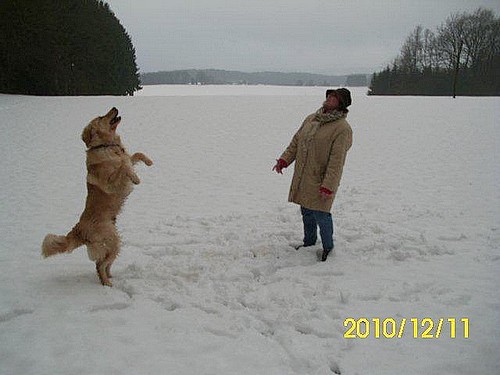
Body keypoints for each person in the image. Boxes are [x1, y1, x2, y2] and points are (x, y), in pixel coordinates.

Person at [273, 88, 353, 261]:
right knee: (306, 210)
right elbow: (296, 141)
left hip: (321, 178)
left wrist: (328, 185)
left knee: (321, 213)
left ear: (341, 104)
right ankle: (309, 243)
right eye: (329, 96)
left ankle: (328, 249)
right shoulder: (312, 119)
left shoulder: (342, 128)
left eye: (335, 98)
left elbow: (337, 161)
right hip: (305, 174)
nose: (330, 99)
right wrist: (284, 160)